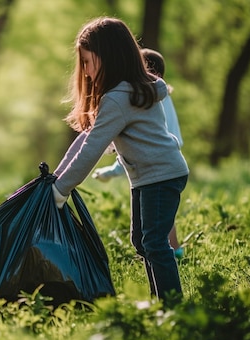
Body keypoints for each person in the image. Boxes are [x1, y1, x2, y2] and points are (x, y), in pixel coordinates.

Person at [51, 17, 189, 304]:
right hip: (150, 176)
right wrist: (57, 179)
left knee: (153, 243)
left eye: (88, 62)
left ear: (108, 57)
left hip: (161, 176)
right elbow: (88, 139)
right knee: (142, 241)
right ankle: (161, 301)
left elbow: (91, 149)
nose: (86, 72)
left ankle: (173, 307)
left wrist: (62, 190)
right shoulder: (125, 93)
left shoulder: (119, 98)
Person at [91, 48, 185, 259]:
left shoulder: (150, 99)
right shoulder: (157, 96)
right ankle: (170, 252)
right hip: (157, 165)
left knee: (154, 231)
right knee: (152, 227)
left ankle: (170, 256)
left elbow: (147, 141)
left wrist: (110, 171)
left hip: (158, 166)